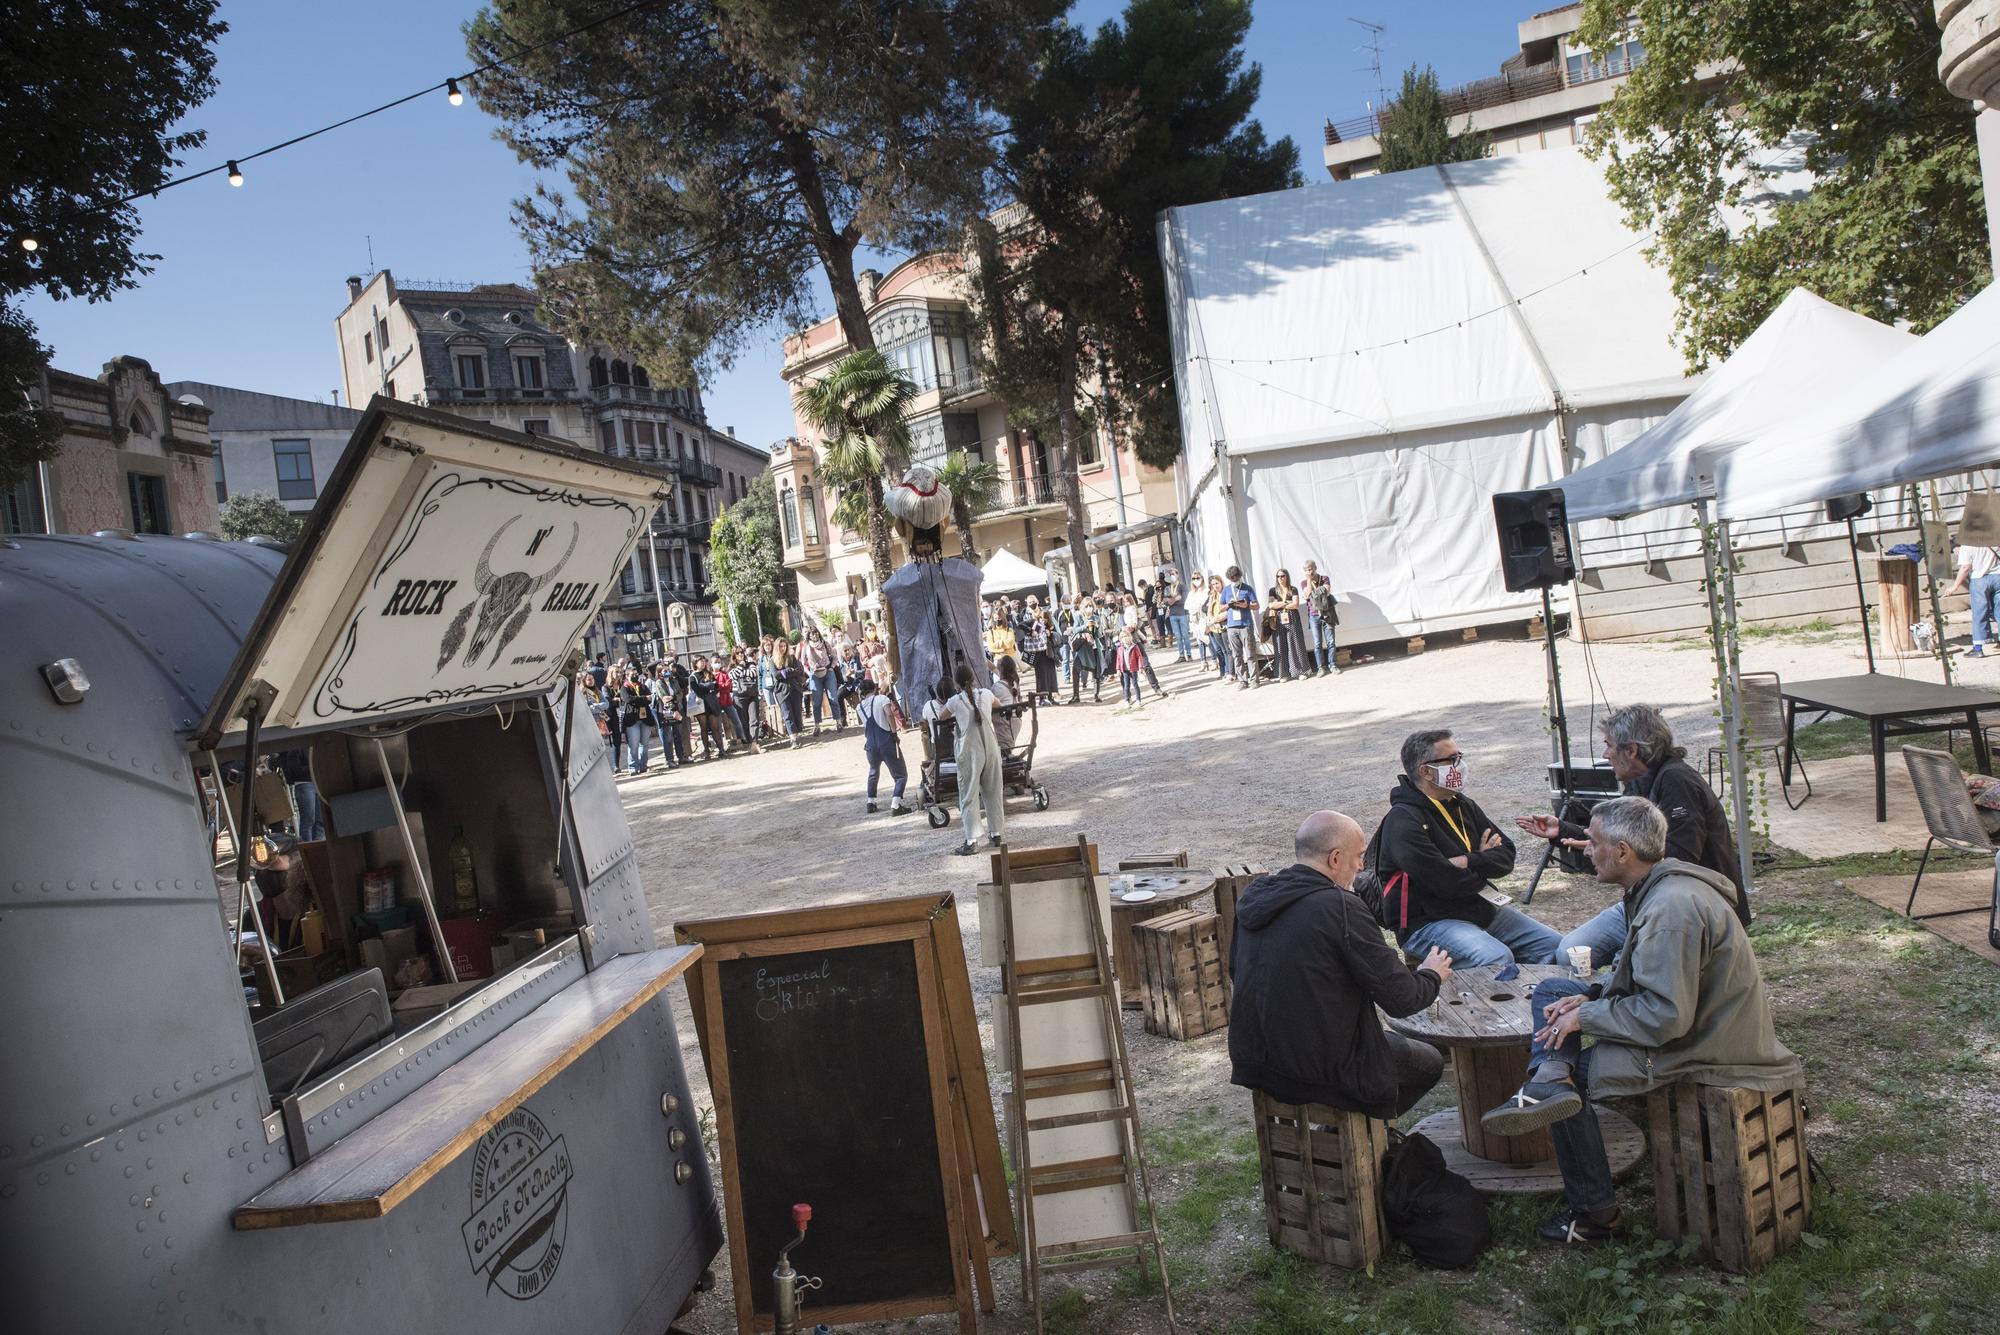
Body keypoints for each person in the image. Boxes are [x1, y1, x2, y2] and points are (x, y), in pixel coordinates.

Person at [1480, 796, 1802, 1246]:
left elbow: (1666, 1016)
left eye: (1592, 843)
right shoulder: (1657, 888)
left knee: (1573, 1091)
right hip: (1696, 1025)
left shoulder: (1670, 911)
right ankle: (1551, 1076)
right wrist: (1591, 995)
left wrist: (1587, 1015)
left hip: (1707, 1047)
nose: (1585, 850)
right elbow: (1650, 978)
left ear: (1623, 851)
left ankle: (1595, 1214)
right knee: (1555, 991)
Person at [1230, 811, 1451, 1118]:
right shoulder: (1341, 907)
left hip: (1254, 1058)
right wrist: (1431, 973)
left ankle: (1346, 1132)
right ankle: (1368, 1134)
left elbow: (1236, 973)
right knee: (1429, 1061)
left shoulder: (1255, 896)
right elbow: (1401, 998)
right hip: (1319, 1067)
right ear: (1335, 859)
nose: (1361, 867)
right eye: (1359, 857)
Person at [1515, 704, 1744, 969]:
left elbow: (1682, 860)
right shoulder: (1638, 781)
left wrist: (1615, 853)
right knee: (1568, 952)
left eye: (1609, 745)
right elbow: (1615, 838)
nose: (1605, 754)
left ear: (1631, 750)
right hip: (1645, 900)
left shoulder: (1676, 781)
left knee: (1624, 970)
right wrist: (1564, 831)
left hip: (1688, 910)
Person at [1378, 729, 1562, 967]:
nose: (1460, 765)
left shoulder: (1462, 804)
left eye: (1460, 756)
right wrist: (1482, 860)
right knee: (1496, 958)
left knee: (1557, 947)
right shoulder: (1402, 821)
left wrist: (1466, 861)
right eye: (1452, 760)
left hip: (1480, 908)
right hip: (1429, 923)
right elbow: (1444, 882)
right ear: (1425, 771)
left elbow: (1507, 855)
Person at [945, 662, 1004, 856]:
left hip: (971, 752)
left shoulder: (955, 701)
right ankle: (995, 833)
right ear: (973, 678)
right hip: (990, 748)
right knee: (993, 789)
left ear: (956, 683)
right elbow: (999, 705)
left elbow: (940, 715)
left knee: (969, 793)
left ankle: (971, 839)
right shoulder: (985, 694)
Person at [856, 679, 913, 816]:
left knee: (873, 772)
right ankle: (896, 803)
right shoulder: (881, 699)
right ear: (874, 688)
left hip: (870, 744)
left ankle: (871, 801)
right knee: (900, 775)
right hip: (886, 741)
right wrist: (894, 732)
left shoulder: (859, 707)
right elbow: (889, 714)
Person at [1949, 534, 2000, 656]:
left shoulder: (1967, 545)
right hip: (1998, 577)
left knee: (1979, 613)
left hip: (1979, 580)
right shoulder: (1995, 539)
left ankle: (1978, 649)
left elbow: (1965, 568)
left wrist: (1955, 586)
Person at [1220, 565, 1260, 689]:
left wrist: (1246, 606)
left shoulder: (1247, 589)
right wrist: (1229, 605)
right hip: (1231, 626)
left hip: (1245, 625)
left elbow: (1256, 606)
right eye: (1231, 578)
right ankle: (1243, 680)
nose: (1234, 579)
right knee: (1236, 655)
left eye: (1236, 577)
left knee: (1250, 654)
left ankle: (1254, 680)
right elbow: (1220, 607)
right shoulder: (1226, 590)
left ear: (1239, 576)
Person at [1265, 568, 1309, 682]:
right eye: (1278, 576)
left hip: (1292, 617)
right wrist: (1286, 603)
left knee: (1295, 644)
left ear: (1287, 577)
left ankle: (1300, 671)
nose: (1280, 578)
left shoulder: (1293, 589)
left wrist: (1279, 604)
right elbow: (1271, 605)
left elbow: (1295, 604)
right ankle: (1283, 673)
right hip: (1278, 620)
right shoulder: (1273, 590)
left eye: (1282, 576)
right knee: (1280, 645)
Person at [800, 626, 846, 732]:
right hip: (814, 674)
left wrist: (831, 668)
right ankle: (817, 725)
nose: (814, 635)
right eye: (811, 633)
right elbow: (803, 663)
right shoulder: (806, 646)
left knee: (833, 698)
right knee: (816, 701)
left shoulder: (825, 643)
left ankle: (838, 722)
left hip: (828, 673)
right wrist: (809, 672)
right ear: (808, 635)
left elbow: (834, 656)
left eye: (815, 633)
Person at [1302, 560, 1340, 676]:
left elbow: (1327, 590)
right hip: (1314, 616)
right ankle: (1320, 668)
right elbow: (1307, 594)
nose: (1310, 571)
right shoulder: (1304, 582)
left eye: (1311, 569)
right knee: (1317, 643)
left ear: (1315, 568)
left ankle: (1332, 665)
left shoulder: (1324, 578)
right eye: (1307, 570)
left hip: (1327, 613)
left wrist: (1314, 593)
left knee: (1331, 641)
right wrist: (1309, 581)